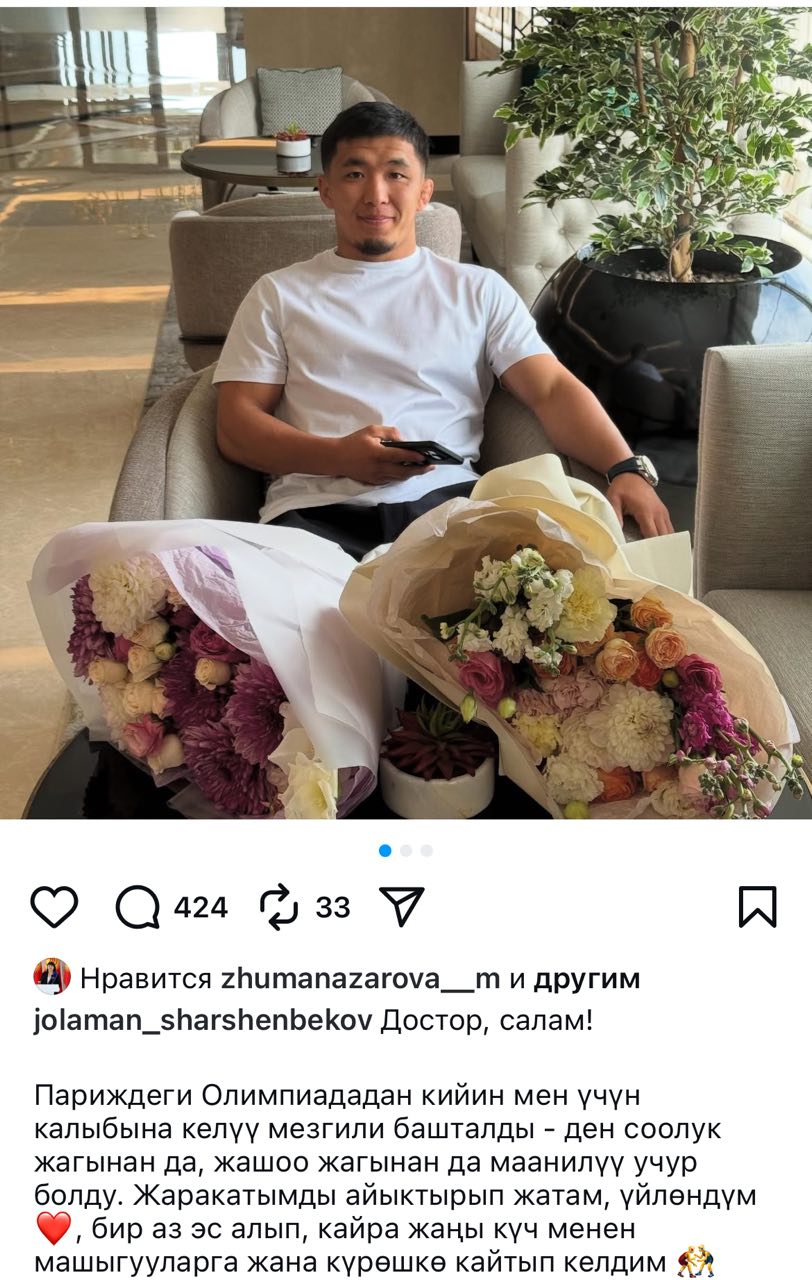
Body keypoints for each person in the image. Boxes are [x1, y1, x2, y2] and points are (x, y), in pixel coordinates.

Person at [215, 102, 673, 559]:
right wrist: (340, 456)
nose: (376, 194)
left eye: (396, 174)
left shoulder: (478, 289)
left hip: (449, 513)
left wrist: (625, 467)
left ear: (424, 192)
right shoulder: (279, 294)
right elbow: (235, 427)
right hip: (312, 516)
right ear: (326, 190)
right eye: (355, 174)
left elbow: (551, 388)